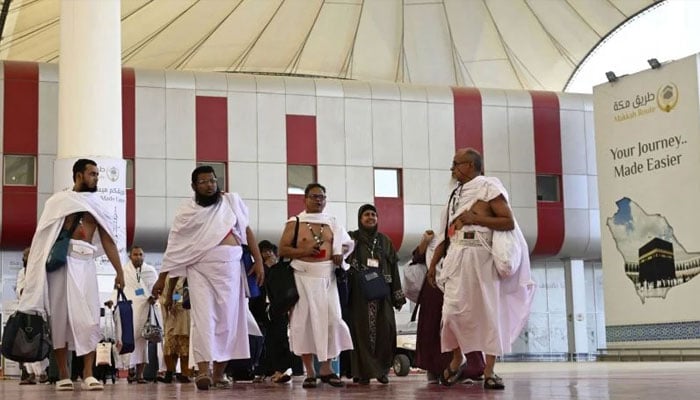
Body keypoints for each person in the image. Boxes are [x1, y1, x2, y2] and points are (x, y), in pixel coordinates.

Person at [426, 148, 534, 390]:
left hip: (481, 258)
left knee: (489, 314)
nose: (452, 169)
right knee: (451, 314)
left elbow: (506, 221)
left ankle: (490, 371)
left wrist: (475, 219)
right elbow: (446, 233)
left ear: (471, 166)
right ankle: (457, 357)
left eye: (457, 164)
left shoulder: (488, 187)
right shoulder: (454, 195)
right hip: (456, 256)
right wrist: (432, 265)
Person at [151, 165, 264, 390]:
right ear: (194, 186)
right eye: (203, 181)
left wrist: (259, 260)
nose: (209, 185)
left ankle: (219, 374)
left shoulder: (231, 202)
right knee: (203, 318)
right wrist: (162, 278)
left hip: (231, 267)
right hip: (199, 267)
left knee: (228, 319)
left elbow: (246, 230)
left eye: (212, 180)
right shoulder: (186, 211)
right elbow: (174, 245)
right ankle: (203, 371)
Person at [18, 158, 125, 391]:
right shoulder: (58, 202)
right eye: (92, 174)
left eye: (97, 174)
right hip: (60, 265)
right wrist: (33, 276)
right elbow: (42, 240)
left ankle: (88, 373)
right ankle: (63, 374)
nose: (96, 177)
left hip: (85, 266)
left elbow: (108, 240)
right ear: (78, 175)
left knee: (88, 320)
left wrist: (119, 271)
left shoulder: (98, 204)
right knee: (59, 318)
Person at [278, 183, 354, 389]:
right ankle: (309, 371)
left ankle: (327, 368)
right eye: (314, 196)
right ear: (305, 198)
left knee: (333, 320)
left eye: (322, 197)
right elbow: (282, 250)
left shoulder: (332, 222)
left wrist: (340, 253)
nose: (318, 200)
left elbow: (347, 244)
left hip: (327, 277)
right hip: (302, 277)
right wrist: (304, 251)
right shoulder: (295, 222)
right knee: (304, 324)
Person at [411, 231, 485, 384]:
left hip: (458, 286)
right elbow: (417, 257)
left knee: (461, 327)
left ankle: (468, 370)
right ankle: (434, 369)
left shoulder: (465, 237)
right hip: (434, 290)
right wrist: (425, 241)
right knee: (432, 330)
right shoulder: (435, 238)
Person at [345, 204, 406, 384]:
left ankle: (381, 370)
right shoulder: (352, 238)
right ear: (360, 218)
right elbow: (342, 262)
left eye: (373, 214)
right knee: (360, 333)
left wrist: (397, 295)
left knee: (385, 331)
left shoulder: (385, 241)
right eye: (366, 215)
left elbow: (393, 268)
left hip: (382, 293)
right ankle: (361, 372)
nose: (370, 217)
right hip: (359, 294)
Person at [113, 246, 159, 383]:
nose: (138, 257)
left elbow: (156, 290)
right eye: (135, 254)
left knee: (142, 343)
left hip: (145, 311)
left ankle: (140, 375)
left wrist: (153, 298)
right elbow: (117, 289)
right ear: (130, 256)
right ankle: (130, 370)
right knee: (128, 340)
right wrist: (112, 300)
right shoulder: (123, 271)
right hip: (129, 310)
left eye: (140, 254)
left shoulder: (150, 271)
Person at [257, 240, 293, 384]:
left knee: (280, 338)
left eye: (270, 251)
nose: (267, 254)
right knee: (266, 341)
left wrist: (273, 268)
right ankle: (266, 370)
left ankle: (281, 370)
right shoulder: (258, 268)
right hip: (260, 308)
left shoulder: (281, 268)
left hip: (278, 308)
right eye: (264, 251)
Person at [16, 247, 49, 385]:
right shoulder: (22, 273)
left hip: (38, 310)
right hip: (24, 310)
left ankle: (42, 372)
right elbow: (20, 290)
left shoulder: (41, 271)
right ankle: (29, 373)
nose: (26, 259)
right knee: (25, 341)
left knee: (37, 340)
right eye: (25, 257)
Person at [160, 276, 192, 383]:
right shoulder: (168, 275)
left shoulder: (188, 274)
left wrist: (174, 299)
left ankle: (185, 373)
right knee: (170, 343)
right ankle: (169, 372)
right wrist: (169, 300)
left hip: (185, 313)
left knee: (184, 343)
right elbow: (165, 293)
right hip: (172, 313)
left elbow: (182, 293)